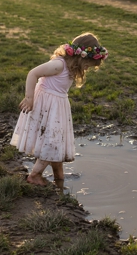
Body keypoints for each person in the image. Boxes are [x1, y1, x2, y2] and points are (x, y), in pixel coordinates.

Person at [12, 33, 107, 189]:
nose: (87, 68)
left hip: (57, 106)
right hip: (47, 106)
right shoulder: (59, 65)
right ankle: (35, 175)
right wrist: (29, 98)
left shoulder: (70, 67)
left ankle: (58, 175)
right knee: (52, 141)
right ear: (80, 57)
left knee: (57, 140)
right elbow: (32, 73)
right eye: (88, 64)